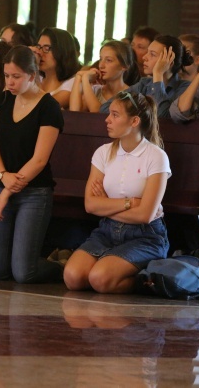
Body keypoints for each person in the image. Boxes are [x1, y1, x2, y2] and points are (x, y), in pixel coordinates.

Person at [63, 91, 171, 293]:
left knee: (100, 279)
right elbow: (90, 205)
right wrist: (129, 202)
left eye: (114, 114)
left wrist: (106, 205)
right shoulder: (103, 152)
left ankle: (147, 282)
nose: (107, 119)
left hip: (145, 236)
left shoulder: (156, 156)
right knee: (73, 277)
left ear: (134, 121)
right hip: (107, 230)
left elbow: (145, 215)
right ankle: (114, 266)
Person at [0, 45, 64, 283]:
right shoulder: (4, 100)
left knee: (23, 273)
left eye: (16, 77)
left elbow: (40, 160)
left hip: (34, 192)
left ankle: (62, 267)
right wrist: (2, 176)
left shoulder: (48, 106)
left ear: (32, 75)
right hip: (4, 183)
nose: (9, 82)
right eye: (7, 76)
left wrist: (6, 192)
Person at [127, 35, 192, 118]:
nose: (144, 57)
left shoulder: (185, 88)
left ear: (169, 62)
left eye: (152, 54)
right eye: (147, 52)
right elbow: (108, 107)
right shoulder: (144, 83)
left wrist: (158, 74)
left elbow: (162, 116)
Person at [70, 40, 139, 113]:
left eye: (108, 60)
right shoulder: (95, 90)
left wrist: (85, 79)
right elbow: (74, 112)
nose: (101, 65)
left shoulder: (131, 94)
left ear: (124, 66)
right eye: (100, 59)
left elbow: (98, 112)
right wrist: (78, 76)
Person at [32, 27, 81, 108]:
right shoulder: (37, 78)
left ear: (62, 51)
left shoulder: (73, 83)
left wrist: (34, 67)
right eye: (39, 47)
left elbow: (43, 107)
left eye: (46, 48)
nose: (40, 53)